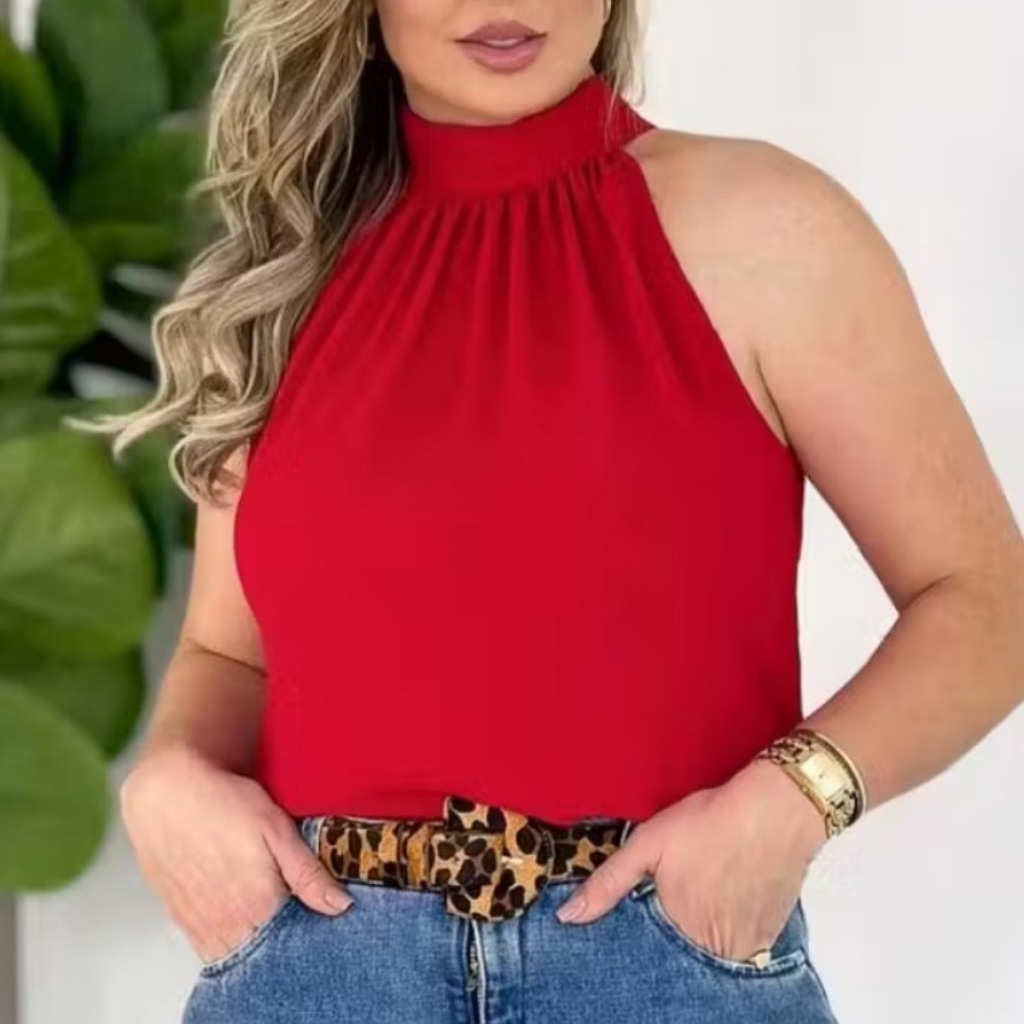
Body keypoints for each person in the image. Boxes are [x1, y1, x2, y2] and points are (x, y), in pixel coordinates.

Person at [87, 1, 1024, 1021]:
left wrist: (798, 796)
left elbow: (987, 600)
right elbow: (228, 653)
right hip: (321, 968)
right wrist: (168, 773)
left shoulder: (766, 228)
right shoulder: (286, 277)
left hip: (661, 963)